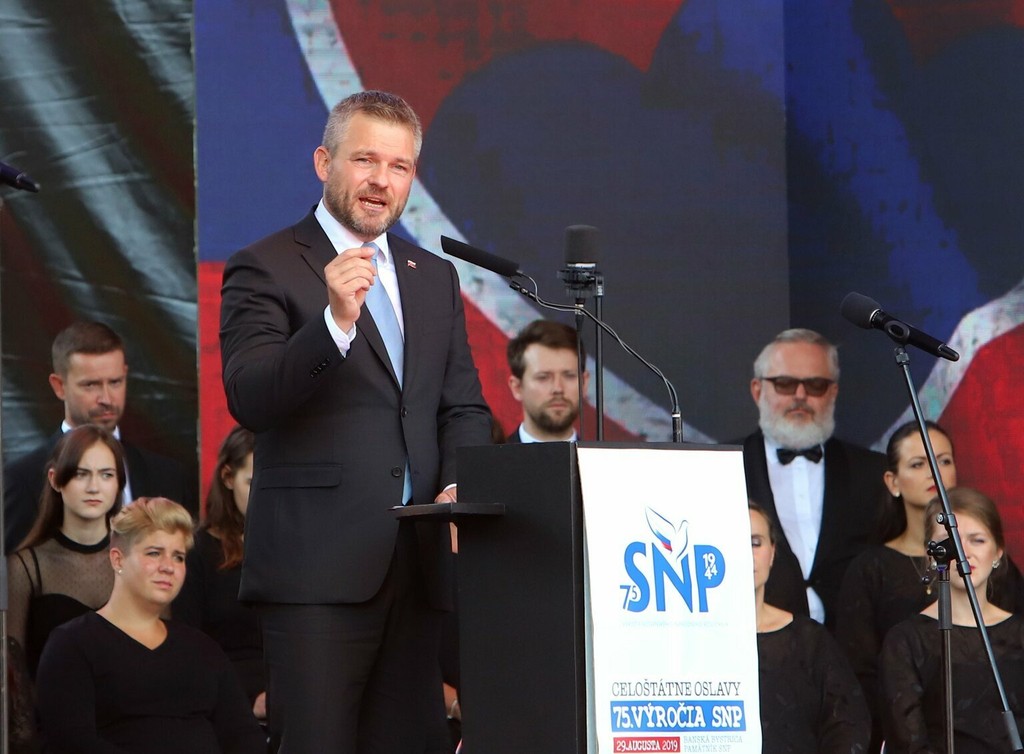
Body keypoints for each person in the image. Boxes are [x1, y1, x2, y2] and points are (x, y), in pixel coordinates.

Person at [219, 89, 493, 752]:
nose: (380, 180)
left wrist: (457, 485)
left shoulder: (432, 276)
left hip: (418, 569)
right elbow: (251, 397)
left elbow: (462, 406)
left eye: (399, 166)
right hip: (316, 573)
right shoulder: (266, 264)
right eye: (365, 159)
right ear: (324, 162)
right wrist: (334, 323)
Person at [35, 497, 265, 753]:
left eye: (178, 557)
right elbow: (70, 741)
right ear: (118, 559)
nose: (168, 567)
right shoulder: (72, 644)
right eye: (154, 553)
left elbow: (245, 736)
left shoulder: (203, 648)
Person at [4, 321, 196, 551]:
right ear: (59, 386)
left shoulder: (168, 477)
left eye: (115, 382)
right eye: (91, 385)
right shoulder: (22, 480)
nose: (106, 398)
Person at [740, 328, 887, 628]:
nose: (800, 395)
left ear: (833, 392)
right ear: (757, 390)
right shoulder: (724, 467)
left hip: (852, 643)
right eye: (785, 383)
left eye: (815, 385)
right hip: (760, 639)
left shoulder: (873, 471)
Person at [880, 487, 1024, 752]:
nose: (962, 551)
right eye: (949, 541)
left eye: (977, 540)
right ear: (930, 554)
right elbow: (908, 740)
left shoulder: (1020, 633)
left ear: (998, 552)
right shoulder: (906, 641)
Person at [749, 502, 870, 752]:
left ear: (772, 552)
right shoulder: (690, 638)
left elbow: (848, 722)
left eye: (755, 543)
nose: (744, 553)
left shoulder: (810, 639)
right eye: (732, 542)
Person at [8, 425, 125, 677]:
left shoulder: (136, 560)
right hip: (48, 701)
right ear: (54, 479)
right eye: (81, 474)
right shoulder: (25, 568)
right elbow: (13, 673)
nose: (94, 487)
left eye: (106, 475)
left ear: (119, 483)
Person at [173, 425, 265, 719]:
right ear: (228, 477)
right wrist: (248, 699)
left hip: (292, 694)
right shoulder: (198, 551)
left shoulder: (294, 547)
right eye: (253, 482)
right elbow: (188, 647)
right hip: (226, 701)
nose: (264, 495)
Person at [504, 319, 588, 443]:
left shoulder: (603, 456)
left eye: (569, 376)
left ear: (584, 383)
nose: (558, 388)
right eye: (543, 377)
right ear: (517, 387)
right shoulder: (491, 456)